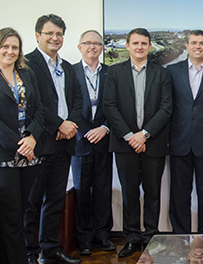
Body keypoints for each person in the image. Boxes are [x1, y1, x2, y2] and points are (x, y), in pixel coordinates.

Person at [0, 28, 44, 264]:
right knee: (11, 218)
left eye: (14, 47)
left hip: (30, 155)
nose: (10, 51)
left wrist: (32, 136)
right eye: (5, 46)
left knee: (21, 215)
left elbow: (40, 110)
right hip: (0, 157)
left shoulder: (28, 75)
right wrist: (20, 145)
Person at [103, 28, 172, 258]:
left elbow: (166, 108)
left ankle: (151, 236)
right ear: (127, 46)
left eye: (144, 43)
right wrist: (130, 136)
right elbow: (110, 107)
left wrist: (144, 134)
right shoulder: (114, 72)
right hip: (124, 145)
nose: (140, 47)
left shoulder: (162, 74)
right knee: (129, 193)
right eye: (135, 43)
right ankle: (132, 238)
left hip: (153, 143)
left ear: (150, 46)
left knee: (153, 193)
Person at [23, 14, 83, 264]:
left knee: (56, 199)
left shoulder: (67, 67)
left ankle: (51, 249)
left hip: (64, 142)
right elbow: (31, 103)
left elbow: (77, 101)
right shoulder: (26, 64)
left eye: (59, 34)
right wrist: (59, 124)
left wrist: (69, 126)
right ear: (38, 35)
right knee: (33, 201)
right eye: (49, 33)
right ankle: (29, 252)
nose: (55, 38)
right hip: (40, 143)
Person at [167, 30, 203, 234]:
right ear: (186, 45)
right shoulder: (172, 71)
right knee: (179, 194)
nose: (197, 46)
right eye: (194, 43)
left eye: (202, 43)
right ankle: (180, 236)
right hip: (178, 141)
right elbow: (168, 108)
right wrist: (167, 139)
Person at [71, 30, 116, 256]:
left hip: (103, 141)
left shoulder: (110, 73)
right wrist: (84, 132)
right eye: (87, 43)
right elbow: (66, 107)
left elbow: (117, 105)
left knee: (102, 190)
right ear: (80, 47)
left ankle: (102, 235)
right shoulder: (69, 72)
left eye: (97, 43)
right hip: (79, 142)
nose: (92, 47)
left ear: (102, 48)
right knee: (81, 192)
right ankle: (84, 238)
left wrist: (105, 127)